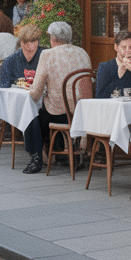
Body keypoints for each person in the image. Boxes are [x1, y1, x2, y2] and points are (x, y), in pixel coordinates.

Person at [25, 22, 91, 174]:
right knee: (49, 106)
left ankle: (36, 157)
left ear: (53, 39)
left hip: (59, 115)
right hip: (81, 113)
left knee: (31, 114)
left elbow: (35, 93)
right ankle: (61, 151)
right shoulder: (82, 52)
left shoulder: (47, 55)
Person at [94, 30, 131, 98]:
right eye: (124, 47)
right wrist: (120, 74)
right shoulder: (105, 67)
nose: (128, 50)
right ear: (116, 47)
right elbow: (100, 96)